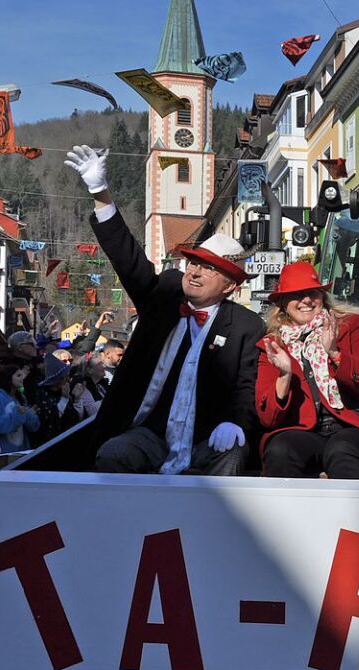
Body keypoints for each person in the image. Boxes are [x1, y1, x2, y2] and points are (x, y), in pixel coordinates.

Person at [66, 144, 265, 475]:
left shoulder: (246, 325)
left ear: (231, 286)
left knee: (233, 454)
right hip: (149, 433)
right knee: (115, 453)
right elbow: (129, 262)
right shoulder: (166, 296)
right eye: (194, 263)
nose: (195, 271)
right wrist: (101, 194)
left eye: (209, 268)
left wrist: (235, 423)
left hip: (205, 439)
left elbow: (247, 387)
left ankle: (209, 527)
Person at [256, 261, 359, 479]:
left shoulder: (349, 327)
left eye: (312, 293)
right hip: (304, 430)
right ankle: (284, 514)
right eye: (296, 295)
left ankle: (354, 514)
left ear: (322, 296)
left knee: (342, 450)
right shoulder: (273, 345)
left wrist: (335, 353)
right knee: (280, 450)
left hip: (351, 426)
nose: (307, 300)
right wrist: (284, 375)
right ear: (282, 303)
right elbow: (268, 419)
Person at [32, 354, 86, 446]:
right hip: (52, 444)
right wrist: (64, 399)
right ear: (57, 380)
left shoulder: (64, 392)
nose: (68, 380)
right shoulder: (42, 395)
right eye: (65, 377)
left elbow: (78, 418)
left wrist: (77, 399)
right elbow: (52, 420)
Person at [0, 364, 40, 452]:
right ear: (8, 378)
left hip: (22, 450)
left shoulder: (21, 398)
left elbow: (33, 427)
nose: (22, 378)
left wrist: (29, 414)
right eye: (18, 375)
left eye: (22, 375)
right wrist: (17, 414)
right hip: (4, 452)